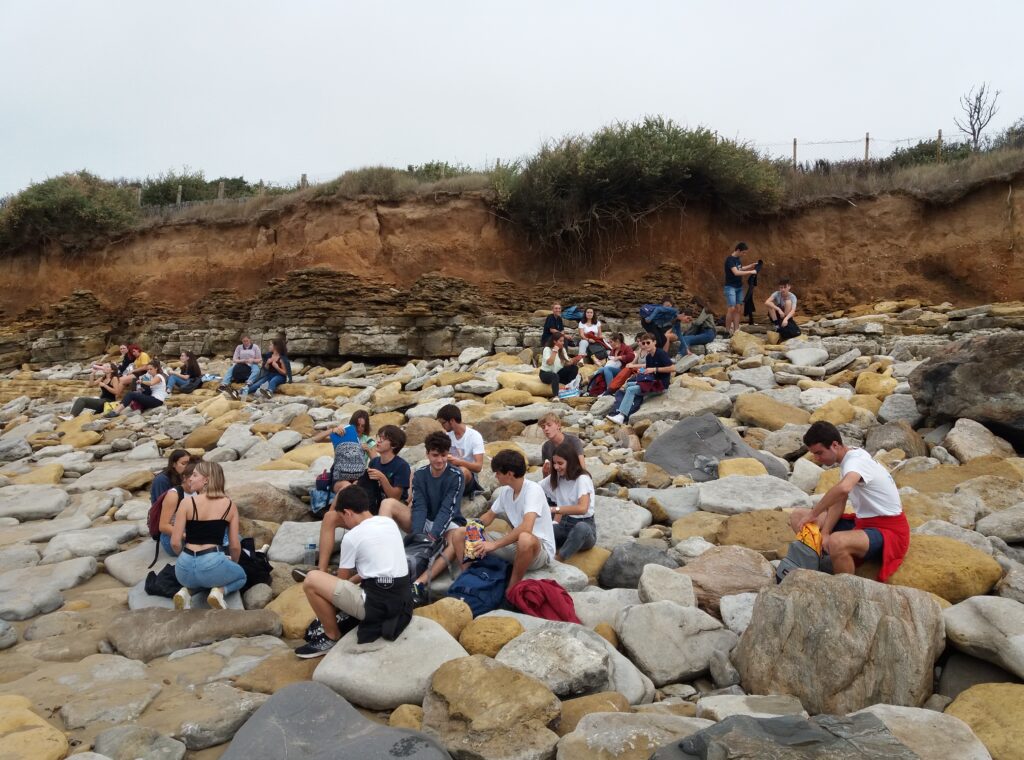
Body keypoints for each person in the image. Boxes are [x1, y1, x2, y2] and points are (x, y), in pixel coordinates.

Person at [295, 486, 413, 658]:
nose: (344, 523)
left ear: (348, 513)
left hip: (377, 608)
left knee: (312, 580)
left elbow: (341, 583)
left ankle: (331, 637)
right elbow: (376, 571)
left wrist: (326, 590)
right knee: (338, 584)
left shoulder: (353, 537)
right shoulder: (389, 523)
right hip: (402, 602)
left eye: (342, 517)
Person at [789, 421, 910, 581]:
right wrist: (824, 533)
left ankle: (846, 589)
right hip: (864, 523)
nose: (817, 459)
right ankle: (820, 558)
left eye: (819, 453)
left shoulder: (856, 461)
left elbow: (844, 488)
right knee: (798, 516)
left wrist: (814, 513)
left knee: (837, 541)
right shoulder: (849, 457)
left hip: (888, 530)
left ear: (835, 445)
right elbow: (840, 501)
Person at [302, 425, 413, 582]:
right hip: (371, 510)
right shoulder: (374, 463)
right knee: (330, 518)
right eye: (378, 436)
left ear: (393, 445)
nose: (378, 440)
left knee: (386, 502)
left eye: (383, 438)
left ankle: (348, 580)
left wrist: (382, 478)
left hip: (389, 516)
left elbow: (395, 497)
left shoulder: (401, 465)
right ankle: (322, 569)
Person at [447, 449, 556, 590]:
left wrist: (494, 545)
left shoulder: (533, 490)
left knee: (525, 538)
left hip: (538, 550)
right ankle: (467, 578)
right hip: (515, 545)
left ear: (509, 474)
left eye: (498, 473)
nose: (496, 476)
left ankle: (512, 589)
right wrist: (473, 530)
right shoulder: (506, 491)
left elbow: (526, 528)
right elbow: (488, 516)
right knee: (460, 533)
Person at [379, 432, 466, 601]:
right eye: (435, 455)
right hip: (423, 521)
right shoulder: (420, 474)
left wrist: (432, 537)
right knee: (388, 503)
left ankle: (419, 583)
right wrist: (418, 537)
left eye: (443, 455)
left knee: (457, 539)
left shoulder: (456, 475)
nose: (439, 460)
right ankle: (383, 554)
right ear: (427, 454)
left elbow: (447, 509)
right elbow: (419, 506)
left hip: (448, 524)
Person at [171, 461, 245, 610]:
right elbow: (235, 546)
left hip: (183, 568)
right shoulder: (229, 505)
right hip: (212, 563)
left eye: (194, 475)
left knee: (199, 578)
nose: (190, 478)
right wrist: (233, 563)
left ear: (206, 480)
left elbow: (175, 543)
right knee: (242, 576)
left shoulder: (186, 503)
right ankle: (219, 592)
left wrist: (184, 556)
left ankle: (186, 591)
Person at [541, 441, 597, 561]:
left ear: (570, 462)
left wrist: (553, 509)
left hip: (585, 528)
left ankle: (558, 559)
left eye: (560, 463)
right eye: (554, 463)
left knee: (581, 528)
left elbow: (582, 508)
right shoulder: (557, 477)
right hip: (564, 526)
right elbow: (537, 490)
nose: (556, 467)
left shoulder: (582, 479)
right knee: (544, 530)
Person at [606, 333, 673, 424]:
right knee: (627, 385)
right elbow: (647, 368)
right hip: (651, 382)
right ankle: (623, 408)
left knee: (630, 390)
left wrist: (654, 369)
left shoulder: (661, 353)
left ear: (654, 342)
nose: (645, 345)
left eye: (648, 343)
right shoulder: (649, 356)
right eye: (644, 343)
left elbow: (672, 368)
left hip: (660, 385)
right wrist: (640, 370)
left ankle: (622, 416)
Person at [436, 404, 484, 493]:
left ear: (452, 421)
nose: (442, 426)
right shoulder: (447, 436)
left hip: (468, 476)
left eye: (443, 423)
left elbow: (478, 467)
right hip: (449, 472)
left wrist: (458, 462)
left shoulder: (474, 436)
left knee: (462, 471)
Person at [159, 459, 199, 557]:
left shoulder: (199, 491)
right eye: (193, 476)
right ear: (184, 477)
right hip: (173, 535)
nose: (195, 480)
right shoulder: (174, 495)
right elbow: (163, 526)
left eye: (198, 477)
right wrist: (187, 536)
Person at [724, 242, 760, 336]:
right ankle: (727, 331)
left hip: (739, 287)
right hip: (730, 287)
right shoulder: (730, 260)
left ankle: (736, 331)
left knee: (738, 308)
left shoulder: (737, 260)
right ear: (738, 250)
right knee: (731, 308)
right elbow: (736, 272)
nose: (744, 254)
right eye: (743, 252)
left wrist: (749, 266)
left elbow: (739, 269)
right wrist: (751, 271)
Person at [538, 412, 586, 476]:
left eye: (549, 425)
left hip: (574, 478)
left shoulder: (574, 441)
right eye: (543, 427)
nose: (546, 429)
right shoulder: (546, 447)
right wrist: (545, 472)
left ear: (558, 425)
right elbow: (548, 475)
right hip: (557, 481)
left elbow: (582, 468)